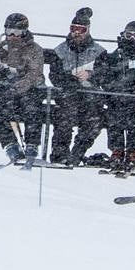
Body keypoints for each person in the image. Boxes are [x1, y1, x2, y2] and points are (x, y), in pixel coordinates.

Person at [45, 9, 107, 166]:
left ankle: (77, 153)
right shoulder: (61, 50)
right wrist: (71, 80)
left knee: (94, 120)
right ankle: (59, 155)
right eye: (74, 29)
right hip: (68, 93)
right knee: (65, 116)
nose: (77, 33)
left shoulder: (98, 51)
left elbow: (105, 75)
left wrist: (91, 75)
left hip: (91, 94)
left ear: (88, 31)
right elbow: (54, 75)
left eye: (81, 30)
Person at [0, 14, 48, 164]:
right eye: (9, 32)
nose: (13, 36)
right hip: (9, 91)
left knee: (30, 107)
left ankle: (32, 145)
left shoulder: (34, 50)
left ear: (25, 32)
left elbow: (34, 75)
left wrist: (14, 87)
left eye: (17, 33)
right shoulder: (1, 48)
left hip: (33, 89)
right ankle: (10, 145)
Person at [95, 22, 135, 174]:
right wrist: (111, 87)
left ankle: (133, 152)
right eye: (129, 35)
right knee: (114, 116)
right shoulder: (117, 55)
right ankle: (117, 151)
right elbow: (105, 73)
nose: (132, 39)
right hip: (118, 97)